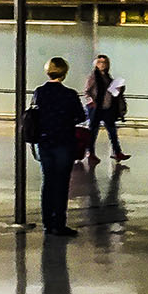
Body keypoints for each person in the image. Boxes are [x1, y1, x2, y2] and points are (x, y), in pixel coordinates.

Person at [31, 56, 87, 237]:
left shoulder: (39, 92)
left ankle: (47, 222)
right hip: (64, 141)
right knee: (62, 183)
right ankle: (59, 223)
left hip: (45, 141)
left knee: (48, 181)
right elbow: (80, 116)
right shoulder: (69, 94)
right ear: (64, 73)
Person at [83, 54, 130, 165]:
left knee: (112, 131)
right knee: (93, 131)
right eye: (99, 62)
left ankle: (117, 152)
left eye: (104, 62)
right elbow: (87, 91)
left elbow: (112, 93)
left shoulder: (108, 78)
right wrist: (91, 101)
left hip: (107, 108)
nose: (102, 65)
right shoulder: (93, 77)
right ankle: (91, 153)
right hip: (97, 108)